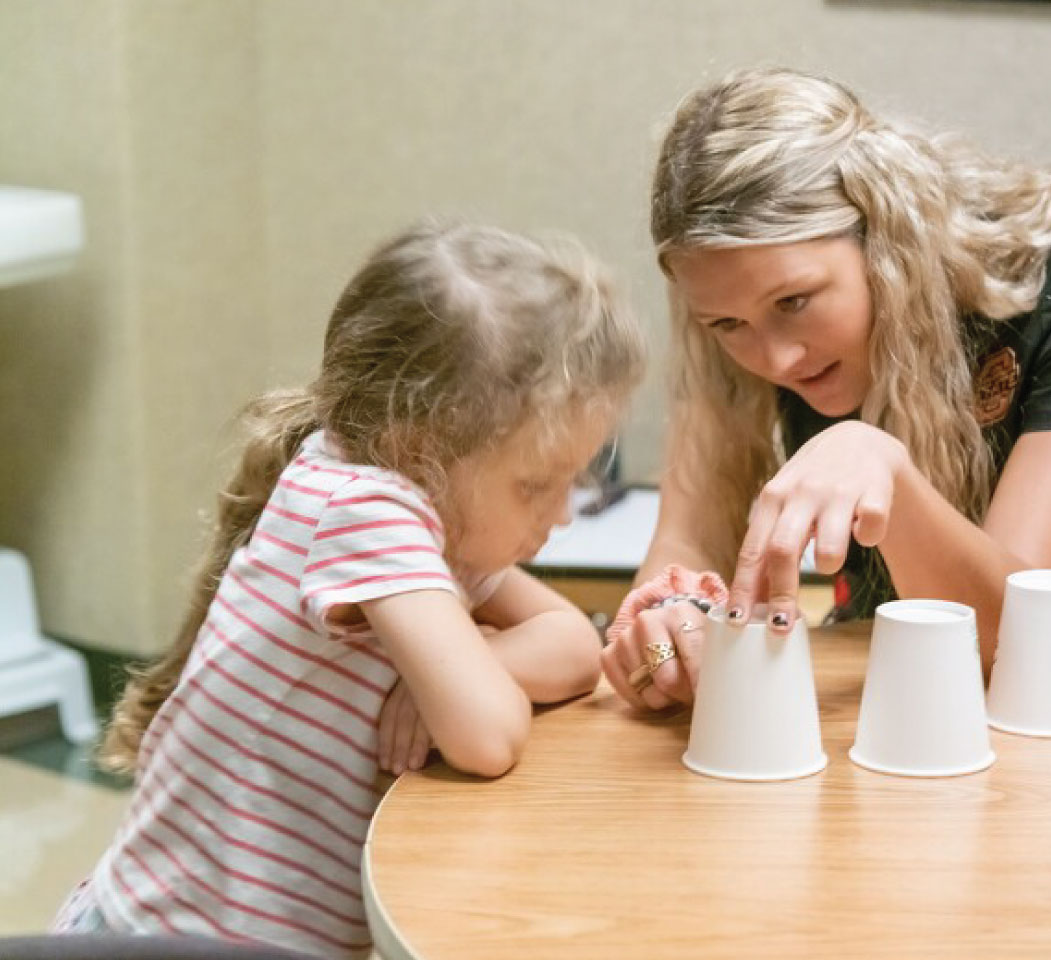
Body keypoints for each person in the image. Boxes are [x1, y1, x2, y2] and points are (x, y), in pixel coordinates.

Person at [52, 220, 646, 957]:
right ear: (420, 447)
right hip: (173, 940)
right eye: (536, 485)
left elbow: (574, 646)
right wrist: (461, 689)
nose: (560, 515)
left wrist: (461, 677)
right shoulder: (363, 506)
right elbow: (490, 735)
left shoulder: (433, 507)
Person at [602, 66, 1051, 711]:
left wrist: (886, 472)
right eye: (727, 323)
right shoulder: (744, 317)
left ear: (882, 238)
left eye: (795, 301)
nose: (775, 358)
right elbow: (688, 539)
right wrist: (674, 613)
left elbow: (1013, 638)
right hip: (893, 683)